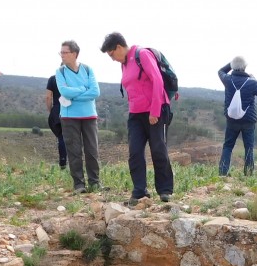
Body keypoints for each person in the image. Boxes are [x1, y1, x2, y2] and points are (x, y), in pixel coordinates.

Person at [100, 32, 173, 203]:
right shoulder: (124, 64)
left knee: (158, 149)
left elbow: (157, 81)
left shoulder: (142, 55)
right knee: (135, 152)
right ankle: (140, 190)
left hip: (156, 110)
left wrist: (154, 111)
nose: (112, 59)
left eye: (112, 54)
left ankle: (165, 190)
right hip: (135, 114)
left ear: (119, 47)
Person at [54, 40, 101, 193]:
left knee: (92, 150)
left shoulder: (87, 69)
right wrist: (83, 89)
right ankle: (79, 185)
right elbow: (64, 92)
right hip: (69, 116)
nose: (62, 55)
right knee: (74, 151)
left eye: (64, 52)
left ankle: (94, 183)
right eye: (61, 52)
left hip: (89, 116)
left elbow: (95, 92)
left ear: (74, 54)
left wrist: (74, 94)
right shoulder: (60, 72)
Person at [218, 56, 257, 176]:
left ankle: (223, 173)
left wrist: (231, 64)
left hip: (232, 120)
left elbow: (220, 71)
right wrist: (255, 79)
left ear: (233, 67)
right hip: (248, 121)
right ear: (245, 67)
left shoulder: (228, 79)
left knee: (228, 146)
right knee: (249, 147)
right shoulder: (251, 83)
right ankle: (249, 174)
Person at [44, 73, 67, 170]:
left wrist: (51, 111)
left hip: (57, 110)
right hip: (71, 109)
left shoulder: (53, 79)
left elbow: (48, 97)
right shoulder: (73, 78)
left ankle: (63, 162)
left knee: (61, 137)